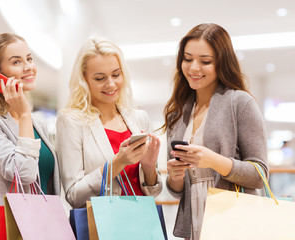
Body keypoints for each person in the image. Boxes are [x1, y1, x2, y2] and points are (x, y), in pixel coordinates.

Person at [162, 23, 268, 240]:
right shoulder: (177, 113)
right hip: (195, 219)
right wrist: (175, 177)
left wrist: (213, 160)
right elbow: (176, 190)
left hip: (235, 219)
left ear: (222, 62)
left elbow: (260, 174)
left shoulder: (239, 102)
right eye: (187, 58)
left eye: (205, 61)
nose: (193, 68)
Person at [55, 38, 163, 208]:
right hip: (103, 226)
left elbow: (154, 192)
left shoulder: (139, 118)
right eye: (100, 78)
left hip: (143, 222)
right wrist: (118, 162)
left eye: (116, 74)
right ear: (84, 80)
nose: (111, 84)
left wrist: (149, 167)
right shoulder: (70, 122)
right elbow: (73, 195)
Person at [0, 33, 61, 206]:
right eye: (16, 62)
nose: (28, 67)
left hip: (45, 221)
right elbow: (24, 173)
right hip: (12, 225)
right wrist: (24, 114)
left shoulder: (36, 121)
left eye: (29, 59)